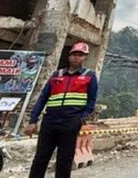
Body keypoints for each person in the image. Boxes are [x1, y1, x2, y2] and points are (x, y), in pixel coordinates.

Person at [25, 42, 98, 178]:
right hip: (50, 121)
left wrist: (81, 118)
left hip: (70, 123)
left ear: (85, 58)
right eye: (74, 54)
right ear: (69, 56)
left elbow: (91, 101)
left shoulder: (90, 76)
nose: (77, 57)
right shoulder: (56, 75)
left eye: (80, 55)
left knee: (64, 160)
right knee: (40, 158)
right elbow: (43, 98)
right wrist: (33, 121)